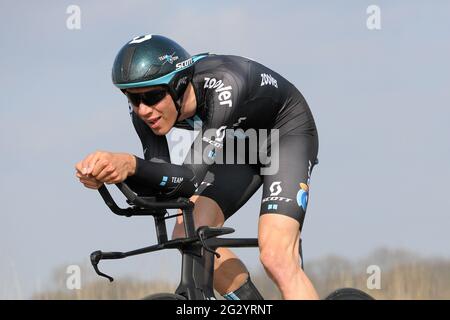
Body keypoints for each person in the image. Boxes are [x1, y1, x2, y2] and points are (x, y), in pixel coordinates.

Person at [75, 34, 319, 300]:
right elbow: (162, 180)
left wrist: (130, 164)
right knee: (189, 232)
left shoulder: (225, 86)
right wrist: (112, 175)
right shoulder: (145, 113)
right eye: (133, 99)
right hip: (239, 143)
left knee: (277, 258)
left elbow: (188, 178)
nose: (144, 110)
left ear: (179, 86)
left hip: (285, 134)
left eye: (153, 96)